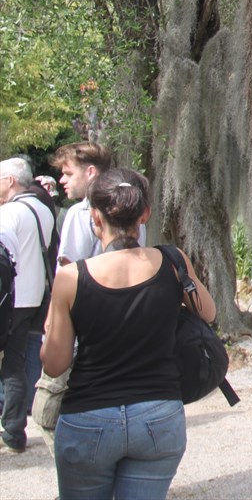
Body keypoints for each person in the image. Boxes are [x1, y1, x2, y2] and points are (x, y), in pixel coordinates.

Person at [39, 168, 216, 499]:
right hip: (158, 414)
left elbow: (54, 364)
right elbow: (207, 312)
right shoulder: (173, 261)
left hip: (89, 416)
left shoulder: (71, 277)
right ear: (145, 213)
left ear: (95, 217)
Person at [0, 157, 56, 454]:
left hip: (9, 299)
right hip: (34, 297)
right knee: (15, 366)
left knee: (12, 368)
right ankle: (14, 432)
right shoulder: (43, 210)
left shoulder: (9, 213)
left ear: (10, 180)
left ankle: (11, 430)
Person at [50, 142, 118, 265]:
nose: (62, 180)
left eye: (69, 174)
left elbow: (69, 271)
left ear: (90, 172)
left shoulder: (80, 212)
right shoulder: (132, 207)